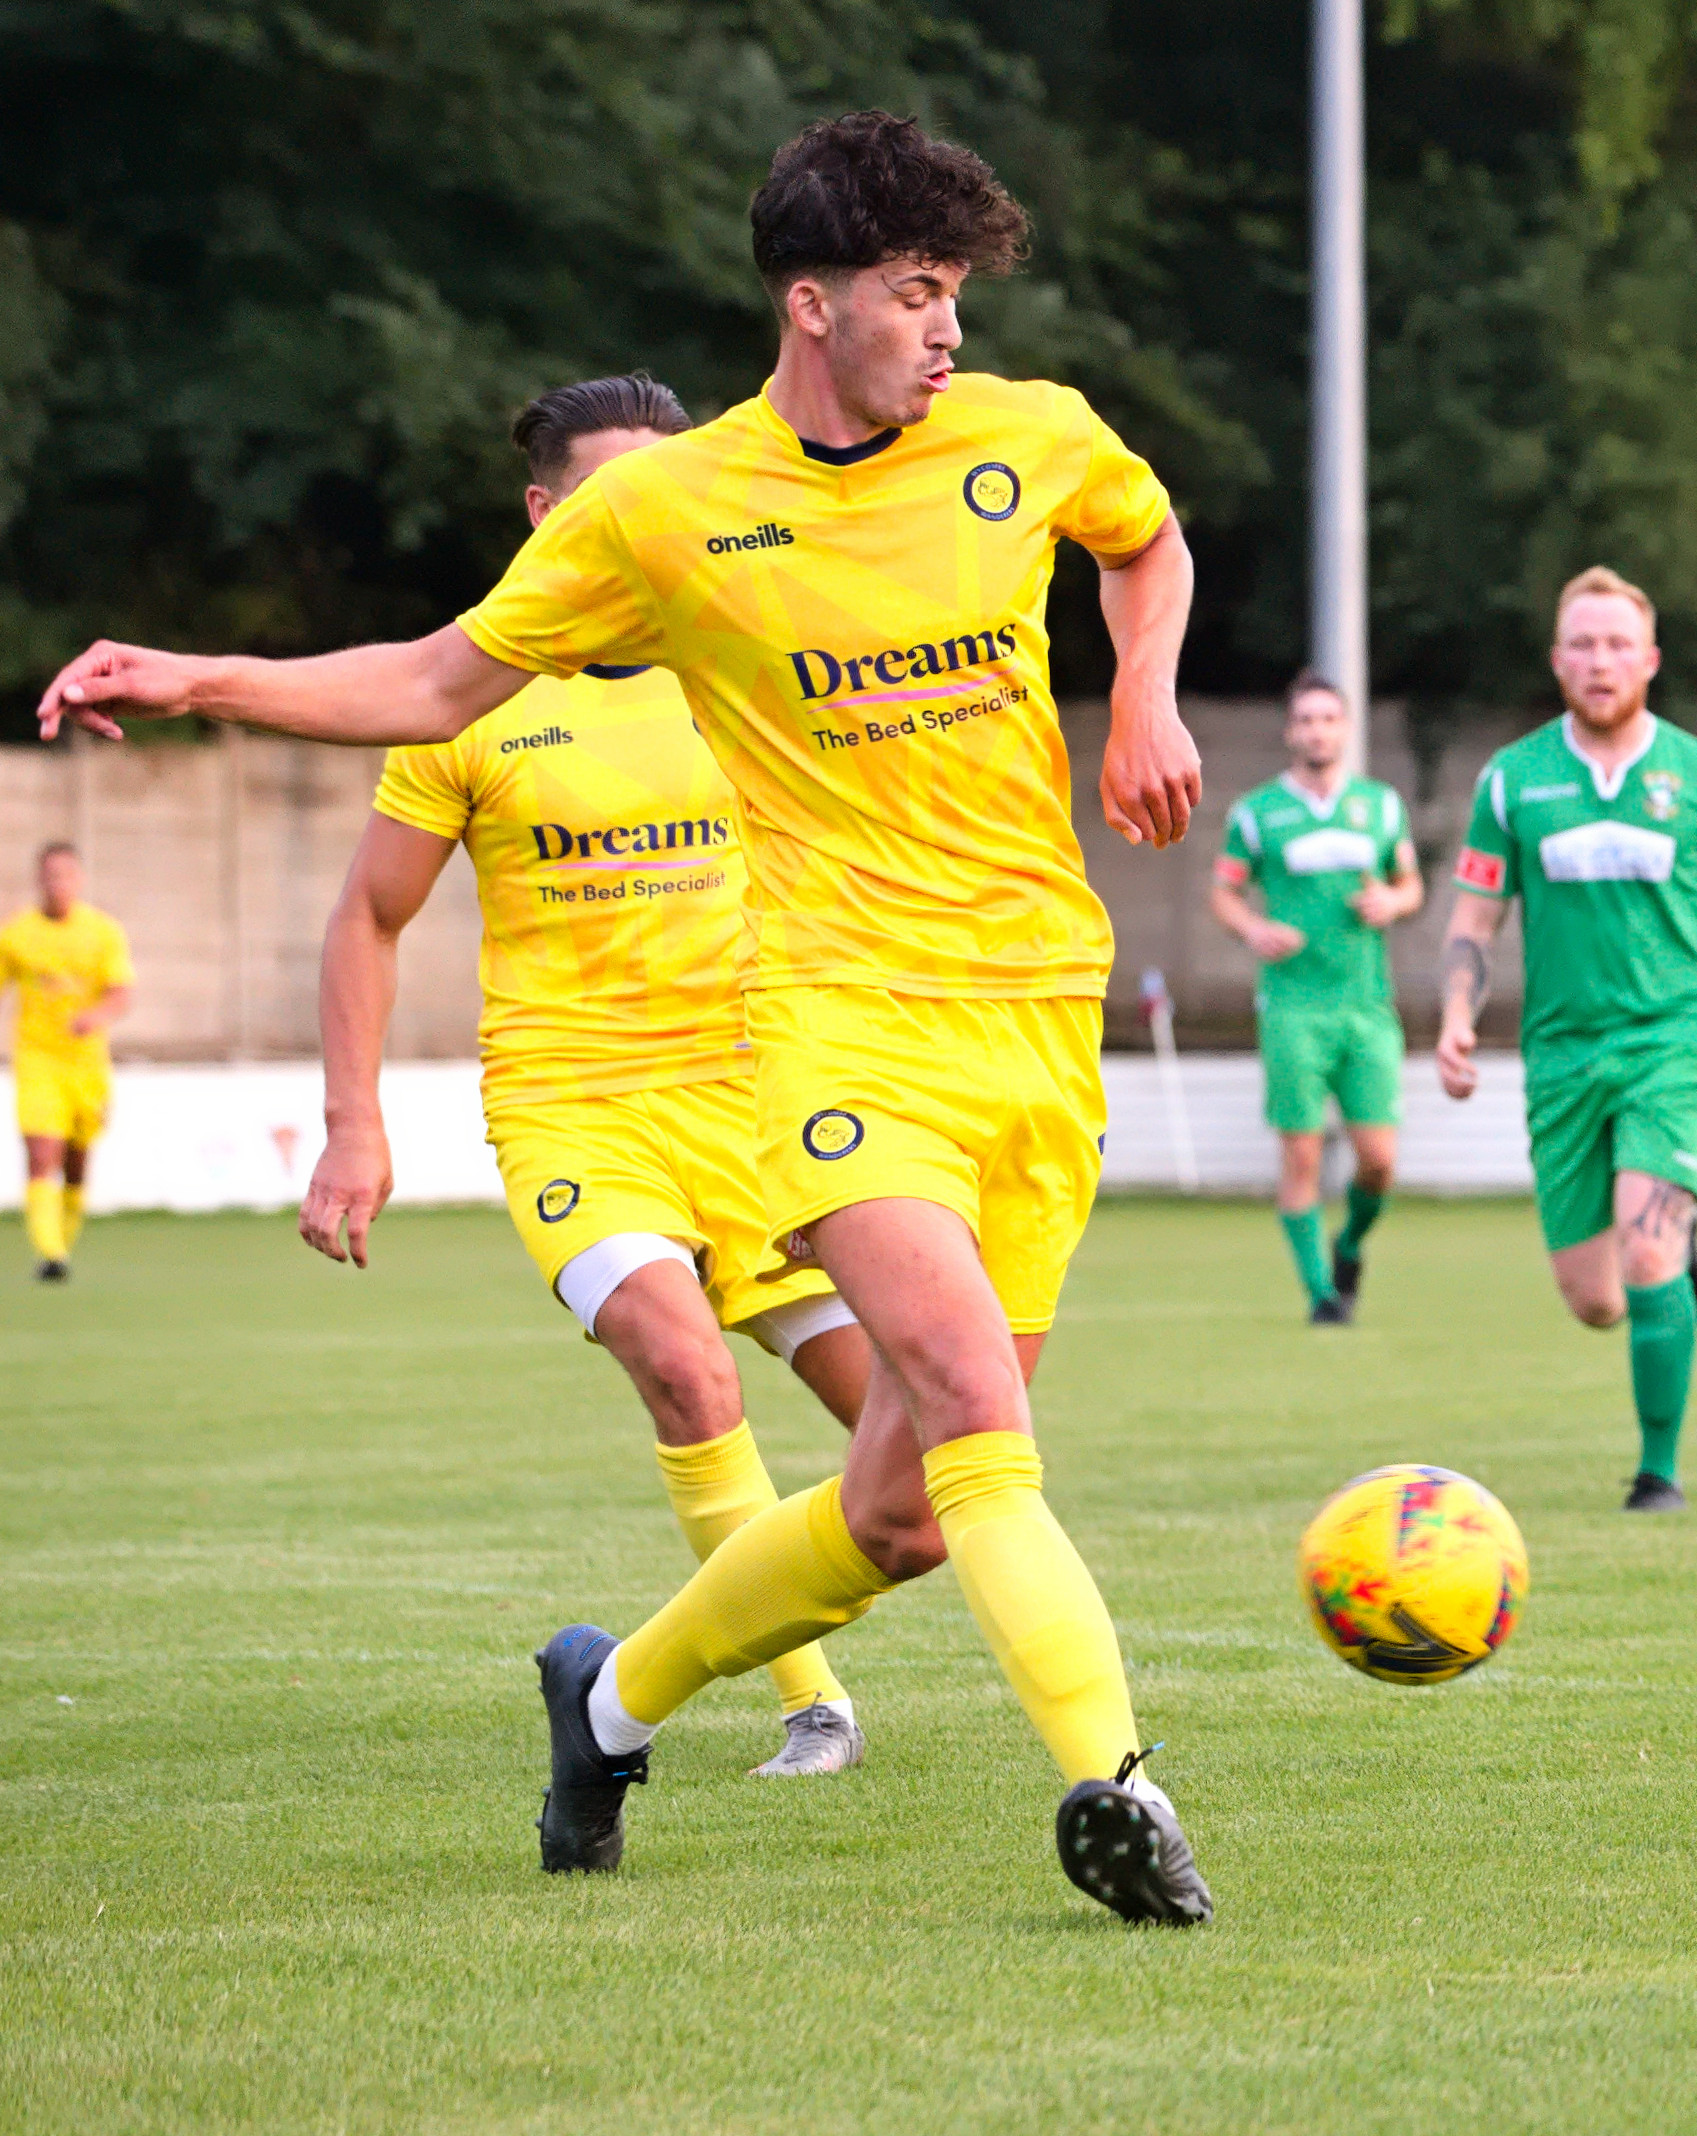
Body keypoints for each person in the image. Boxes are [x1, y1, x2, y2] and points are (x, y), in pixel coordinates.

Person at [38, 113, 1216, 1923]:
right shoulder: (666, 513)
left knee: (903, 1514)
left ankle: (608, 1701)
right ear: (811, 306)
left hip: (1036, 1023)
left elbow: (1146, 544)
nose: (947, 329)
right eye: (917, 295)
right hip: (831, 1030)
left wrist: (1139, 689)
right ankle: (1112, 1789)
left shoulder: (1027, 436)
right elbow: (435, 675)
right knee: (977, 1410)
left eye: (958, 294)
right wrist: (195, 673)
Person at [300, 373, 929, 1781]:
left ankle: (731, 1636)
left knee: (930, 1450)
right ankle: (812, 1706)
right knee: (687, 1372)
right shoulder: (472, 697)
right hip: (576, 1107)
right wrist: (354, 1127)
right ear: (545, 513)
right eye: (614, 499)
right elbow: (369, 917)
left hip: (774, 1104)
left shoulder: (748, 659)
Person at [1434, 567, 1697, 1512]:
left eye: (1618, 645)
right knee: (1596, 1300)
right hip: (1562, 1054)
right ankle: (1678, 1259)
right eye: (1582, 644)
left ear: (1649, 660)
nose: (1600, 661)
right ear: (1557, 660)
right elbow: (1476, 916)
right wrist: (1453, 1019)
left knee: (1643, 1259)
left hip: (1676, 1040)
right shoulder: (1513, 781)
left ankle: (1659, 1473)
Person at [1208, 672, 1421, 1325]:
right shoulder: (1257, 813)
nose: (1316, 731)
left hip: (1366, 1007)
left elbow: (1410, 883)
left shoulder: (1381, 807)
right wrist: (1252, 928)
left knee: (1379, 1163)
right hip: (1293, 1008)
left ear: (1346, 728)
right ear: (1289, 731)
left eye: (1328, 719)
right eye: (1305, 720)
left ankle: (1350, 1244)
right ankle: (1322, 1295)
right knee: (1300, 1154)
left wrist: (1392, 901)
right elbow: (1223, 893)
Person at [1, 843, 132, 1281]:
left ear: (78, 879)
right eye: (50, 875)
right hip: (37, 1060)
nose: (58, 883)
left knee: (77, 1161)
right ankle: (51, 1252)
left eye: (66, 875)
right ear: (40, 880)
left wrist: (95, 1015)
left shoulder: (103, 932)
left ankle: (64, 1235)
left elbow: (120, 993)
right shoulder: (17, 935)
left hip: (86, 1066)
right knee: (42, 1154)